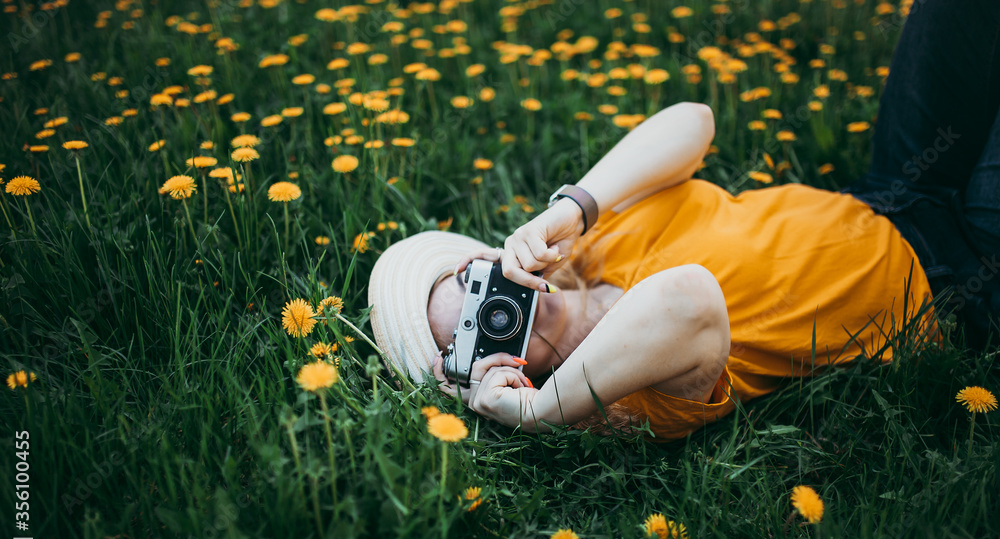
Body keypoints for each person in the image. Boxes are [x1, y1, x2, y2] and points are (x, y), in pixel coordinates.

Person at [367, 0, 1000, 443]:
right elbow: (690, 298)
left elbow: (695, 122)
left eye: (480, 288)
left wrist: (576, 207)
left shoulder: (588, 246)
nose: (506, 314)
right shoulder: (625, 393)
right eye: (484, 335)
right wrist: (535, 413)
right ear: (490, 377)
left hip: (892, 186)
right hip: (960, 269)